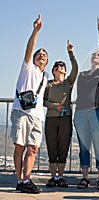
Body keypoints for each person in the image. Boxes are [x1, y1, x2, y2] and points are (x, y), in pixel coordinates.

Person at [10, 14, 49, 193]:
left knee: (33, 148)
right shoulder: (28, 68)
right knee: (20, 146)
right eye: (39, 54)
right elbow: (29, 49)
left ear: (46, 62)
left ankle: (26, 180)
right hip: (21, 112)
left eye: (44, 55)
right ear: (33, 58)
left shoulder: (45, 76)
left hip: (36, 115)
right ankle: (20, 180)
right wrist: (35, 31)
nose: (41, 55)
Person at [73, 18, 99, 190]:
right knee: (83, 147)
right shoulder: (82, 75)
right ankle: (85, 178)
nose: (95, 55)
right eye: (94, 54)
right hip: (81, 113)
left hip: (98, 112)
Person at [43, 40, 78, 188]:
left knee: (63, 146)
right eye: (57, 66)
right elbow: (43, 101)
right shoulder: (48, 84)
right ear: (53, 71)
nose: (60, 67)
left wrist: (71, 53)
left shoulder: (68, 83)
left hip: (65, 118)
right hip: (51, 118)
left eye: (62, 66)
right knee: (52, 147)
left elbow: (75, 68)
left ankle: (61, 177)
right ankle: (52, 177)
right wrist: (53, 106)